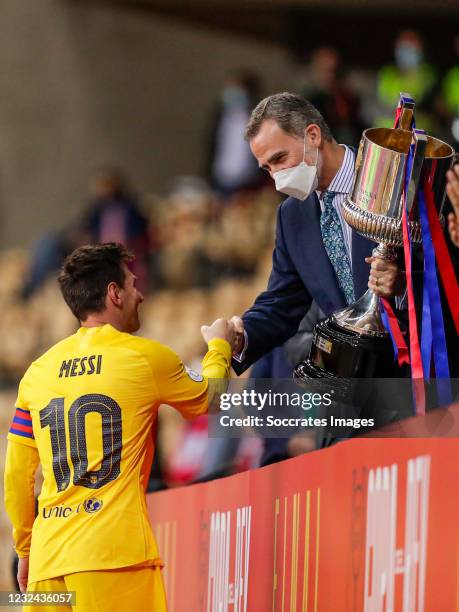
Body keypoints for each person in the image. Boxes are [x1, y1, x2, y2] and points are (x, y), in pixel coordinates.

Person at [4, 242, 234, 611]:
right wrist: (220, 346)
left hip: (48, 563)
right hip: (114, 559)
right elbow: (212, 398)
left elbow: (17, 476)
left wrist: (26, 549)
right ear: (114, 293)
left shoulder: (37, 373)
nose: (140, 294)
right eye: (132, 283)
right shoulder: (144, 357)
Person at [227, 92, 405, 374]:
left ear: (313, 136)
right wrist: (240, 335)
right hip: (352, 386)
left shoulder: (391, 181)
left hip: (416, 375)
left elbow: (443, 267)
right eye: (267, 168)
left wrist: (404, 283)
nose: (276, 177)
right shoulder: (291, 215)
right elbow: (282, 301)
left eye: (280, 158)